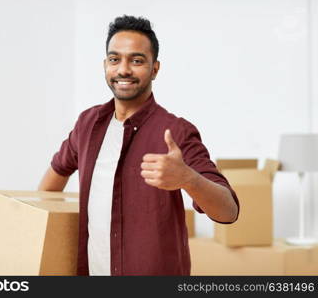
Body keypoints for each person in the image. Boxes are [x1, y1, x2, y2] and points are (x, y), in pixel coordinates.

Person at [38, 15, 239, 276]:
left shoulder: (176, 131)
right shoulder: (88, 123)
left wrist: (189, 179)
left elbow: (228, 211)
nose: (123, 70)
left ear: (155, 69)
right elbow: (52, 183)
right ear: (105, 65)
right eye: (114, 59)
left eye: (136, 60)